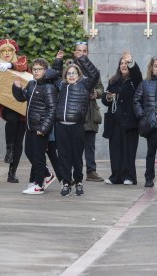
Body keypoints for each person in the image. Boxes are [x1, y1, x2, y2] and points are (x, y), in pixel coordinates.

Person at [0, 39, 28, 183]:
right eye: (4, 51)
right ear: (0, 52)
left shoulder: (21, 62)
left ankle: (12, 172)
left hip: (22, 106)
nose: (7, 54)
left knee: (19, 140)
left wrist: (11, 65)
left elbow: (24, 66)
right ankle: (9, 148)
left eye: (10, 51)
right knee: (12, 119)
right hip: (6, 105)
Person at [55, 53, 100, 196]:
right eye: (69, 73)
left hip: (77, 126)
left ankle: (78, 181)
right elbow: (53, 75)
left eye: (74, 73)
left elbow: (95, 74)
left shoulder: (84, 85)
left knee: (76, 156)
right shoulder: (61, 85)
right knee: (63, 156)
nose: (71, 75)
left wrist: (82, 59)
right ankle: (66, 183)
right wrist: (58, 60)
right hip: (61, 126)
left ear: (79, 74)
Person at [12, 58, 57, 195]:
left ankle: (39, 185)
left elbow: (52, 109)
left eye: (39, 69)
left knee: (38, 156)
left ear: (46, 71)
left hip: (40, 128)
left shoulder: (49, 87)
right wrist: (17, 88)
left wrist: (44, 128)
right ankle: (47, 174)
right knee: (29, 152)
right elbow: (22, 97)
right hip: (30, 126)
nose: (36, 72)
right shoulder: (32, 84)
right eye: (34, 69)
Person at [102, 51, 142, 185]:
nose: (124, 66)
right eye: (122, 63)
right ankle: (116, 176)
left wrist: (131, 62)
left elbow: (137, 75)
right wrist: (107, 97)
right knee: (115, 150)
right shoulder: (113, 81)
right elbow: (105, 98)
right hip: (114, 122)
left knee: (129, 150)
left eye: (126, 63)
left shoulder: (134, 81)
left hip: (129, 121)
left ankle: (129, 177)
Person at [133, 56, 157, 187]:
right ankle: (149, 177)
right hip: (151, 124)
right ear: (151, 67)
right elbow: (136, 100)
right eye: (156, 66)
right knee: (151, 152)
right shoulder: (144, 83)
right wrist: (142, 116)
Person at [74, 41, 105, 182]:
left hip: (90, 112)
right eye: (79, 51)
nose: (82, 53)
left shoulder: (93, 69)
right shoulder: (71, 68)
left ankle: (91, 171)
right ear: (75, 53)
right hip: (75, 111)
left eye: (84, 51)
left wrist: (96, 94)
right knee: (75, 145)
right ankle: (76, 171)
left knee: (90, 145)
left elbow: (100, 88)